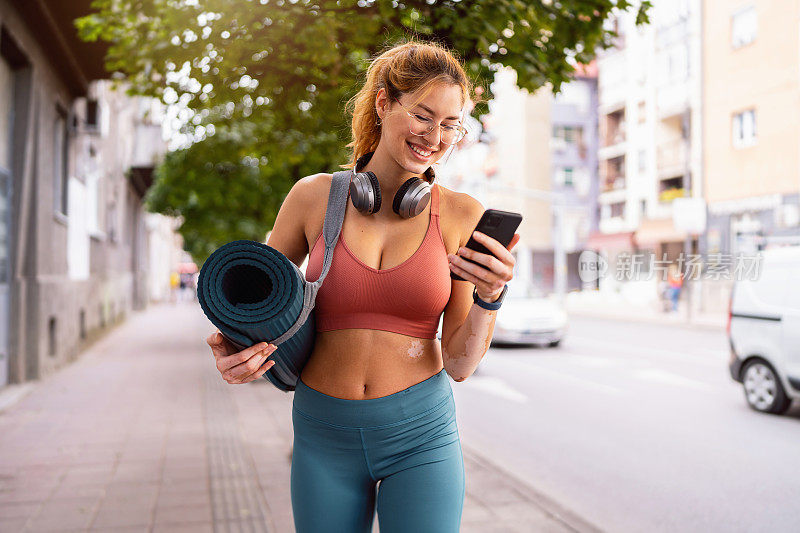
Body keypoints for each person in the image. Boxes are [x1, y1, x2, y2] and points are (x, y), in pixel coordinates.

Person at [206, 39, 520, 532]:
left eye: (450, 125)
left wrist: (490, 297)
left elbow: (459, 364)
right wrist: (232, 351)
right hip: (321, 434)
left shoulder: (461, 215)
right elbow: (251, 301)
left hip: (422, 435)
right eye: (422, 115)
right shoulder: (312, 198)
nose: (434, 136)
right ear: (383, 102)